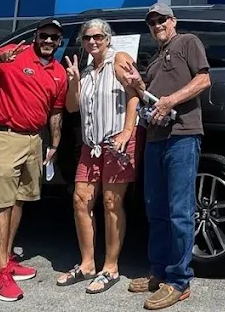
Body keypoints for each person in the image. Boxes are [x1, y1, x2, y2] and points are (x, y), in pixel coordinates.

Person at [117, 3, 210, 311]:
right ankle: (158, 271)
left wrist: (171, 101)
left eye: (161, 19)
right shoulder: (155, 60)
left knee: (180, 212)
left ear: (173, 21)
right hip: (156, 140)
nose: (156, 24)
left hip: (182, 137)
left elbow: (204, 79)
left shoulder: (188, 42)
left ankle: (179, 281)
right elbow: (150, 100)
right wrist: (139, 85)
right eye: (151, 22)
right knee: (155, 210)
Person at [0, 20, 68, 302]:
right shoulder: (15, 53)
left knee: (19, 200)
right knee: (0, 202)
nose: (48, 41)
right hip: (5, 137)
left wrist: (55, 143)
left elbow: (56, 113)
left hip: (34, 141)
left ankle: (5, 260)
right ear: (37, 36)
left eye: (54, 37)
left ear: (59, 41)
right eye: (44, 35)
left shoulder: (59, 73)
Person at [55, 18, 141, 294]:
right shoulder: (88, 70)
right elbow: (71, 108)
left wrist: (127, 131)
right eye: (88, 38)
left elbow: (135, 95)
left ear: (108, 38)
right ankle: (87, 264)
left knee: (111, 202)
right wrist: (74, 82)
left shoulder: (120, 59)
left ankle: (111, 267)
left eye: (98, 37)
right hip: (91, 145)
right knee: (80, 200)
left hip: (117, 142)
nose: (93, 42)